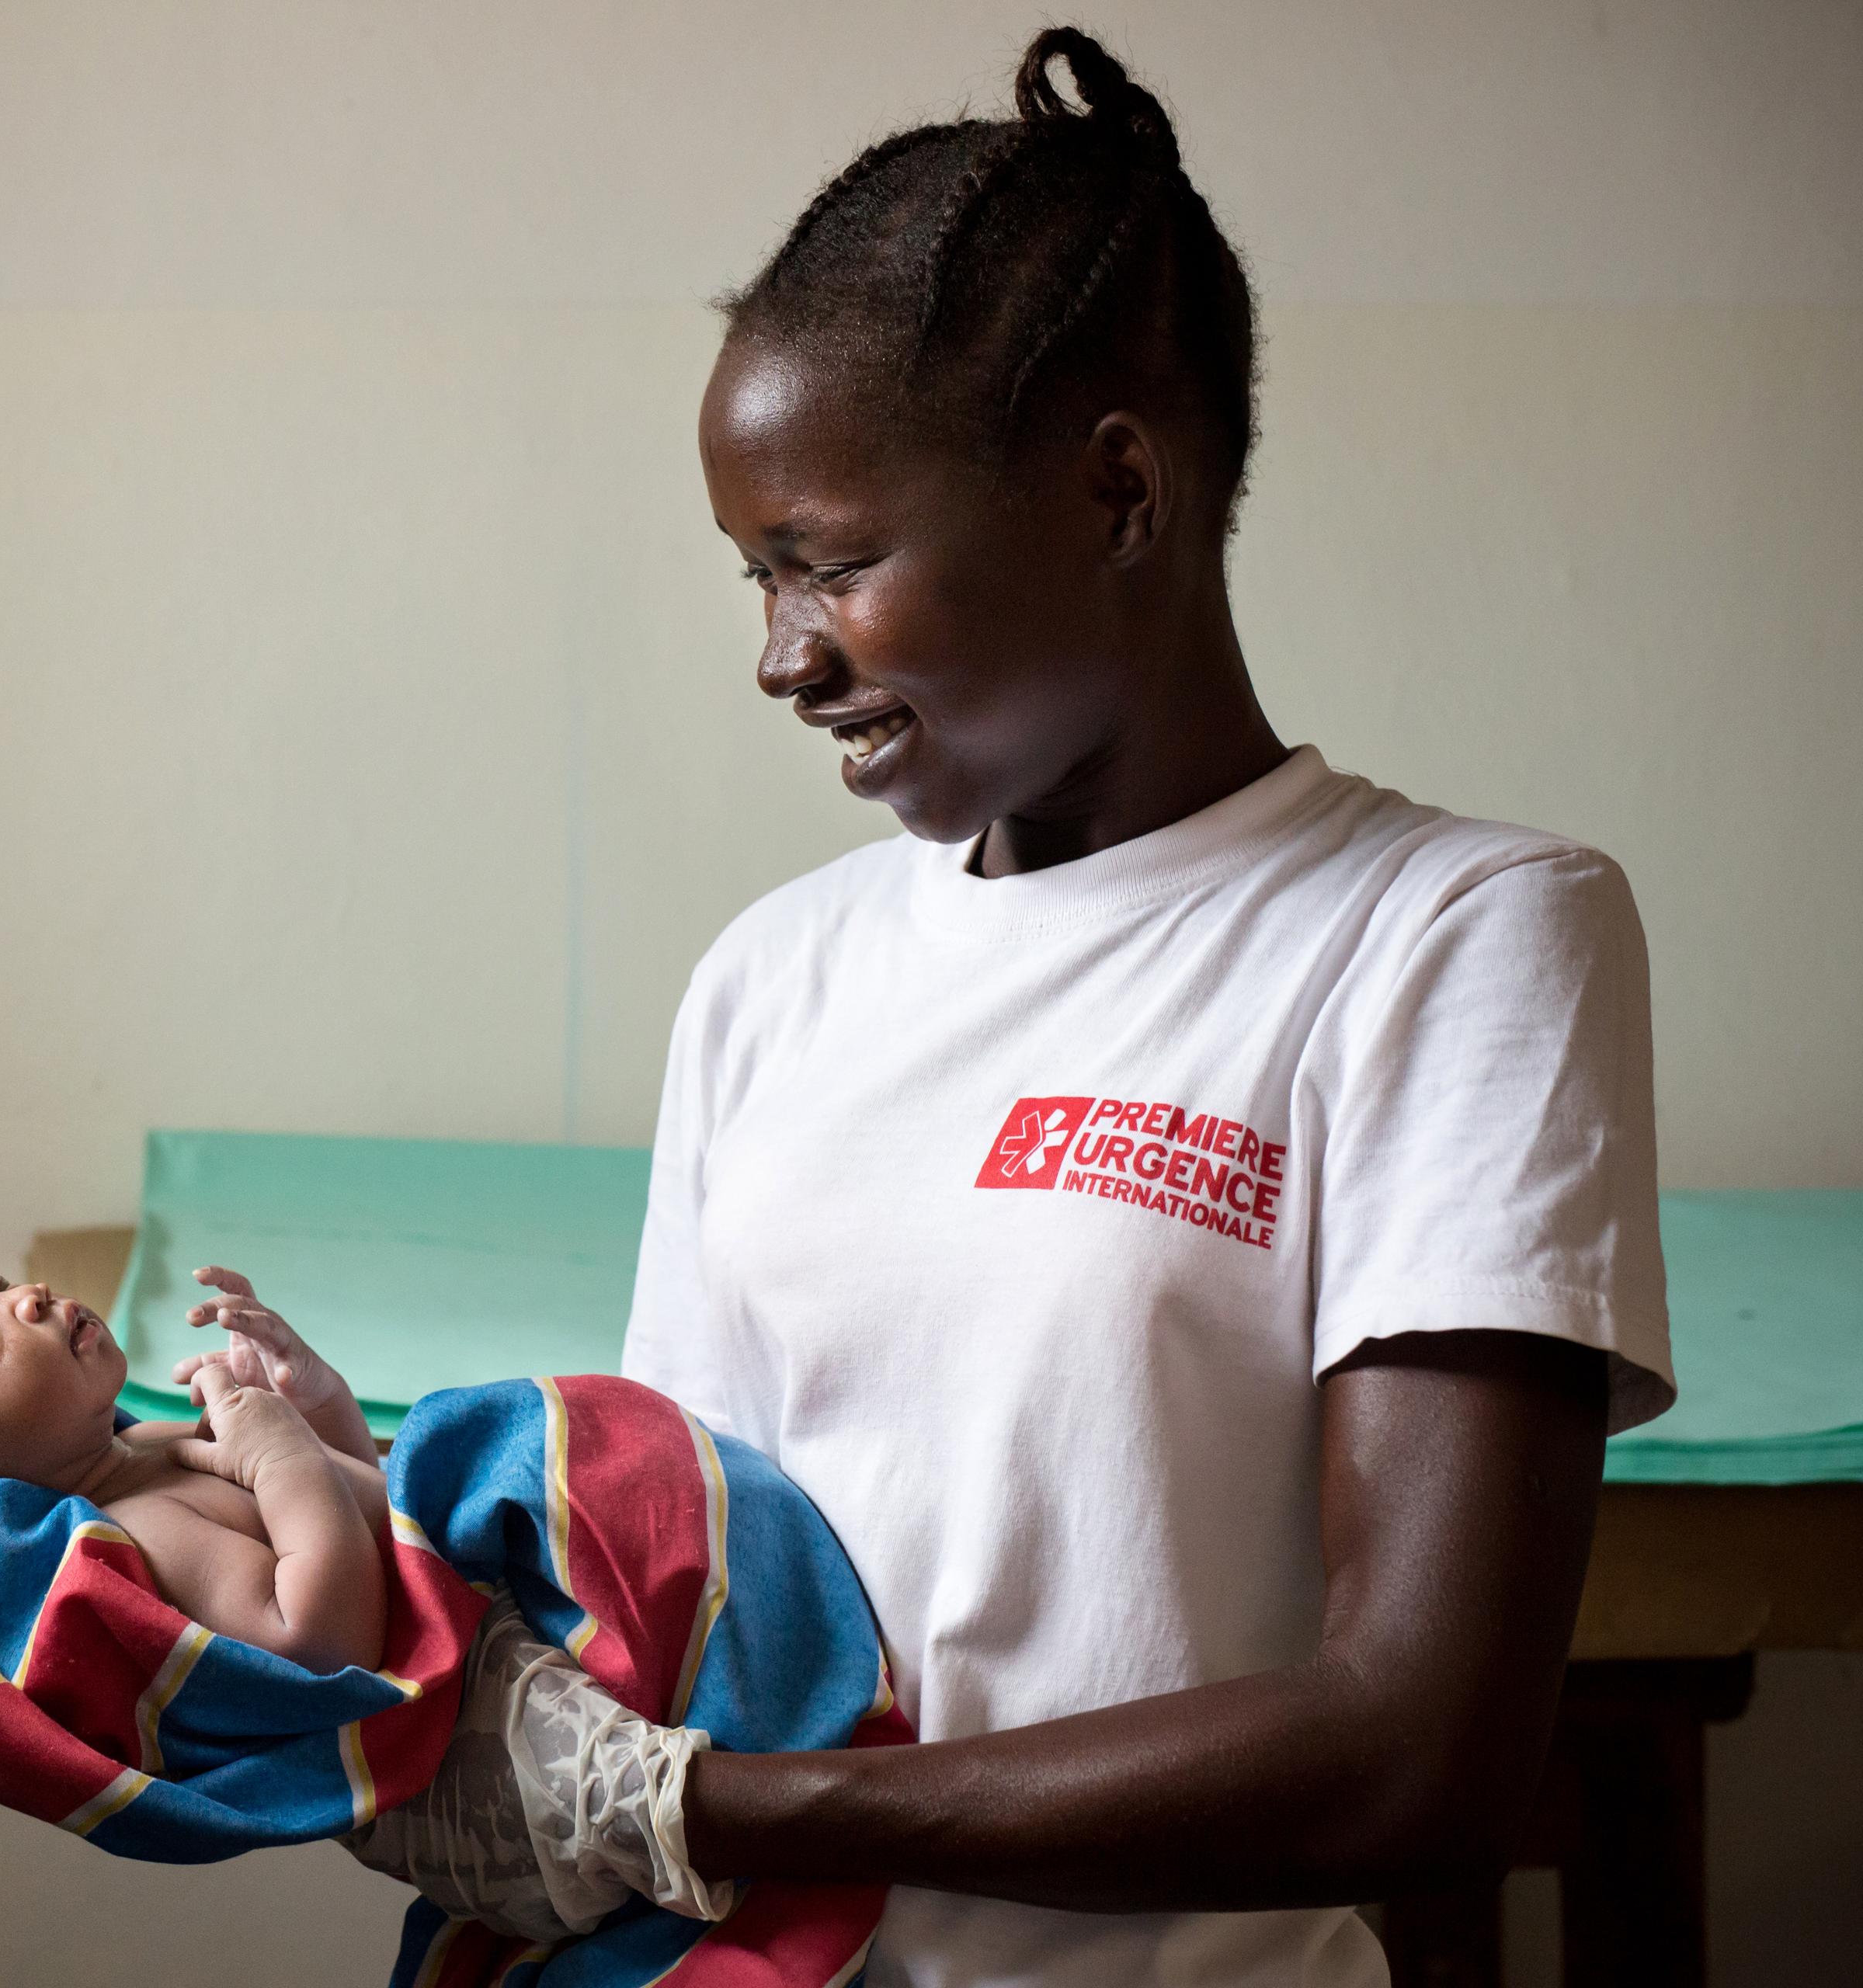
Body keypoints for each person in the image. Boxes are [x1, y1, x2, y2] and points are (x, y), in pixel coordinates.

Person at [363, 26, 1671, 1987]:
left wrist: (702, 1810)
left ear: (1117, 491)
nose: (779, 658)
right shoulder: (772, 978)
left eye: (829, 565)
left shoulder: (1448, 933)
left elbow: (1421, 1742)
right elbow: (685, 1600)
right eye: (751, 578)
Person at [0, 1260, 390, 1674]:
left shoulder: (147, 1444)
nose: (27, 1296)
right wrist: (283, 1456)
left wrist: (308, 1398)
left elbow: (372, 1505)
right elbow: (327, 1643)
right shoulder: (145, 1533)